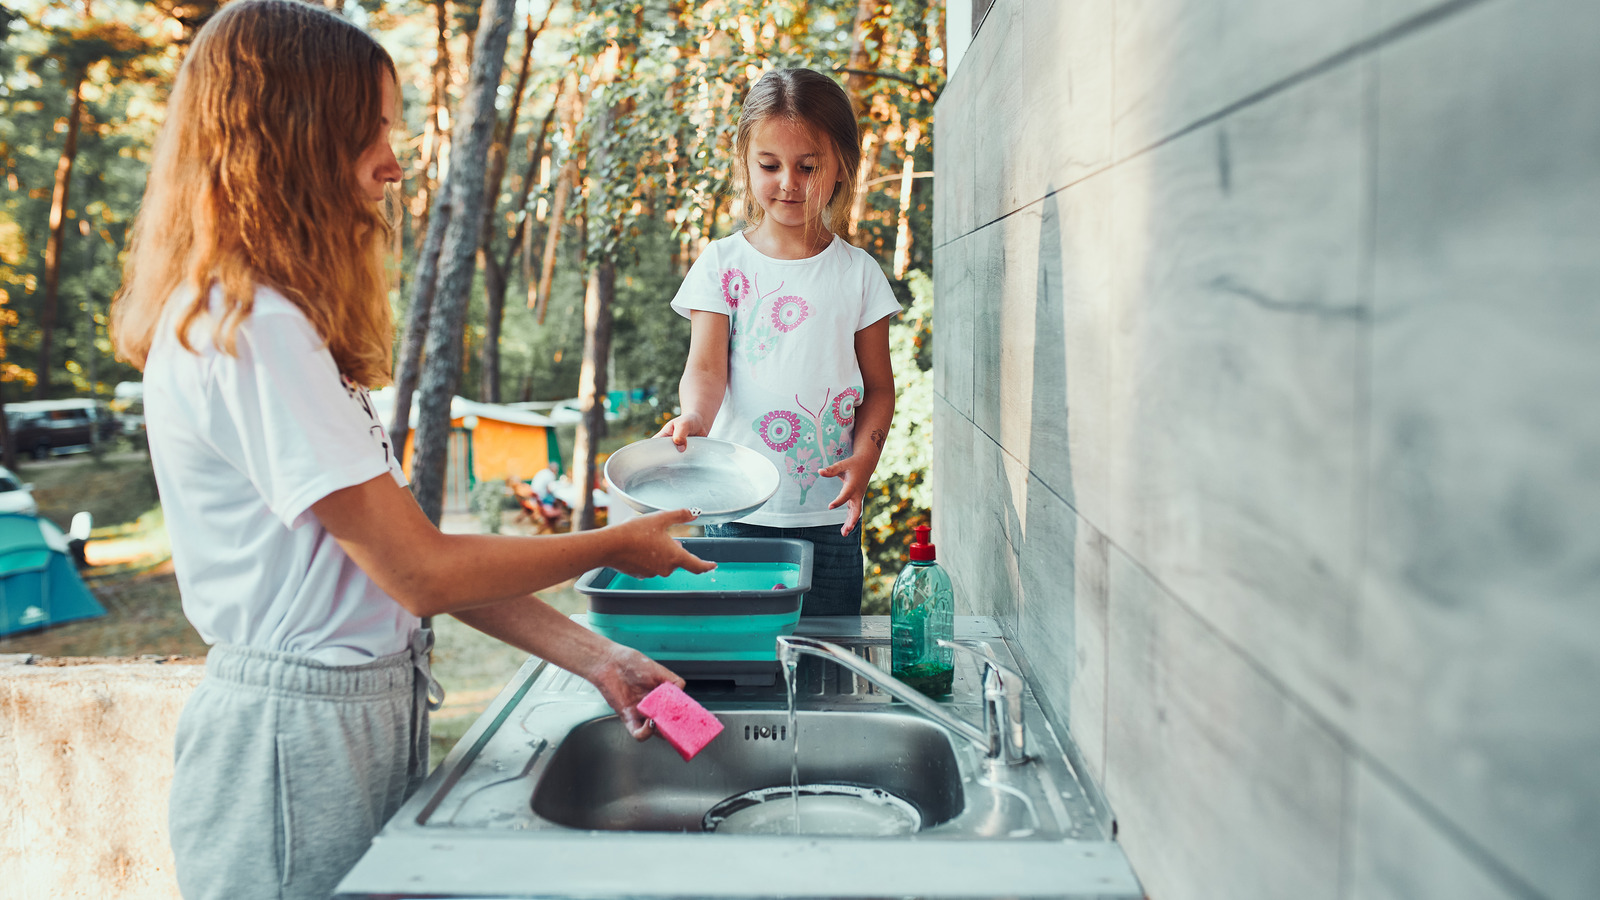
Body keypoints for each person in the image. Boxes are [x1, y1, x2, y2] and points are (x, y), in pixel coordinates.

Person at [107, 2, 712, 897]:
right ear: (294, 137)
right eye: (374, 131)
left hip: (340, 718)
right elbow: (421, 573)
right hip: (295, 739)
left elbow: (399, 569)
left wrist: (601, 659)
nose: (394, 162)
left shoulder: (275, 322)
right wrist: (614, 545)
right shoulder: (253, 329)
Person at [657, 68, 899, 616]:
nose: (789, 182)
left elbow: (880, 389)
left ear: (841, 167)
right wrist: (694, 417)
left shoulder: (859, 273)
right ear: (746, 162)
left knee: (826, 653)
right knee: (742, 652)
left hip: (830, 518)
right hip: (735, 511)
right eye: (770, 165)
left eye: (808, 167)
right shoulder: (721, 263)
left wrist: (865, 458)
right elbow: (706, 370)